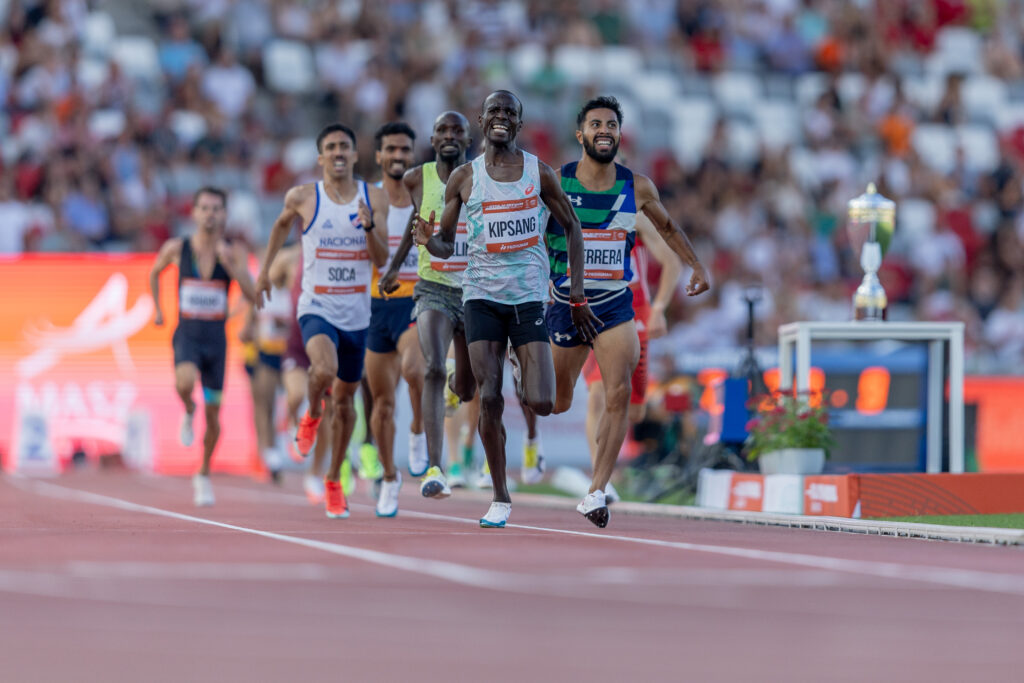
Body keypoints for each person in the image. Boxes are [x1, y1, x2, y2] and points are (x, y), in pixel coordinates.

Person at [414, 90, 596, 528]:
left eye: (508, 112)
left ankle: (516, 364)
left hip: (528, 298)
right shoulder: (465, 177)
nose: (500, 117)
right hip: (480, 298)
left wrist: (576, 294)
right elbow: (446, 244)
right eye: (493, 111)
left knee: (543, 401)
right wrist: (428, 241)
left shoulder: (539, 172)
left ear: (519, 123)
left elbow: (573, 228)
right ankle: (499, 496)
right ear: (481, 121)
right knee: (490, 396)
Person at [545, 95, 709, 527]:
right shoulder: (557, 182)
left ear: (619, 134)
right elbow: (530, 234)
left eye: (611, 125)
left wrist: (696, 265)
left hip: (616, 304)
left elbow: (668, 228)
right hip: (567, 304)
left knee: (616, 395)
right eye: (596, 124)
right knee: (558, 401)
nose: (604, 130)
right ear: (580, 134)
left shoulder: (636, 187)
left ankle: (597, 490)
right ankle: (527, 367)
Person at [255, 123, 389, 519]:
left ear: (355, 154)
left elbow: (381, 258)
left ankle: (332, 481)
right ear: (321, 157)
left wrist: (369, 227)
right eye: (331, 147)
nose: (338, 152)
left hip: (356, 313)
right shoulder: (303, 197)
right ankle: (312, 412)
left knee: (345, 406)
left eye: (344, 146)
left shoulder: (374, 198)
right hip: (315, 306)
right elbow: (280, 226)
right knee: (324, 370)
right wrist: (264, 273)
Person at [380, 111, 476, 501]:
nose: (449, 135)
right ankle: (435, 469)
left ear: (468, 139)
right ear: (432, 140)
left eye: (457, 130)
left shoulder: (482, 178)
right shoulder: (416, 178)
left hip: (474, 290)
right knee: (432, 367)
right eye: (442, 130)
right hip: (433, 287)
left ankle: (456, 386)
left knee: (467, 388)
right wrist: (394, 266)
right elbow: (415, 222)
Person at [149, 187, 257, 506]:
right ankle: (187, 408)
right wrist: (158, 310)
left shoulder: (234, 251)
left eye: (216, 209)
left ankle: (204, 473)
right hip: (188, 334)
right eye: (205, 208)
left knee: (214, 416)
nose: (210, 214)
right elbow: (155, 272)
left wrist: (232, 266)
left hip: (216, 342)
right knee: (183, 382)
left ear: (224, 215)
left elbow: (252, 294)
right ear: (194, 213)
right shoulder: (177, 247)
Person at [581, 214, 683, 501]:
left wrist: (659, 309)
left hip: (634, 313)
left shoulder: (634, 219)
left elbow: (672, 263)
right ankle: (600, 481)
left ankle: (604, 473)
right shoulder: (580, 209)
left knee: (632, 409)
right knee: (598, 394)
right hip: (594, 310)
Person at [364, 121, 426, 517]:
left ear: (413, 154)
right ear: (379, 155)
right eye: (391, 149)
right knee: (382, 404)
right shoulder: (367, 198)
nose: (398, 156)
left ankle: (418, 429)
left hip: (415, 300)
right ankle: (389, 477)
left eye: (405, 149)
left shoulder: (427, 194)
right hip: (374, 306)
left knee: (414, 369)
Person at [269, 244, 331, 503]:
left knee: (326, 413)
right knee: (295, 394)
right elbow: (269, 284)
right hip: (297, 344)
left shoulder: (335, 250)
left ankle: (315, 474)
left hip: (327, 341)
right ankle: (293, 423)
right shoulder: (290, 257)